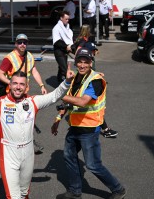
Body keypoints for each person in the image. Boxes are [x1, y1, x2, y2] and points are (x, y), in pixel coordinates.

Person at [0, 59, 75, 199]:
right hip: (9, 154)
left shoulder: (33, 102)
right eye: (15, 83)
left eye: (22, 84)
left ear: (27, 87)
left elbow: (54, 96)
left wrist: (66, 82)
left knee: (24, 193)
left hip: (28, 153)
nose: (18, 87)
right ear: (9, 85)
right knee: (14, 196)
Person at [51, 48, 126, 199]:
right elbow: (70, 103)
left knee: (92, 165)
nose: (83, 65)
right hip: (75, 127)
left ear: (91, 63)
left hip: (89, 130)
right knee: (69, 156)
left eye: (86, 62)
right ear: (76, 62)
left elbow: (82, 102)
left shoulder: (96, 80)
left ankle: (118, 189)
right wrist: (58, 119)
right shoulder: (75, 79)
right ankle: (75, 190)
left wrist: (60, 95)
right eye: (80, 61)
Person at [0, 33, 47, 154]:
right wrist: (13, 84)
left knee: (25, 119)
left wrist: (42, 86)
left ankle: (27, 143)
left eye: (24, 42)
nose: (22, 44)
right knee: (15, 122)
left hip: (23, 94)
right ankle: (14, 146)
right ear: (15, 44)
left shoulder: (29, 56)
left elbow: (34, 71)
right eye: (19, 42)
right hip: (11, 95)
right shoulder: (9, 58)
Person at [52, 10, 73, 83]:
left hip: (64, 50)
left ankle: (59, 81)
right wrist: (66, 46)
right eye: (66, 19)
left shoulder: (67, 27)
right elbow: (56, 41)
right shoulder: (56, 28)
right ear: (61, 18)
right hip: (58, 51)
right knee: (65, 69)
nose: (67, 21)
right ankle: (69, 86)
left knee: (61, 68)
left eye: (68, 19)